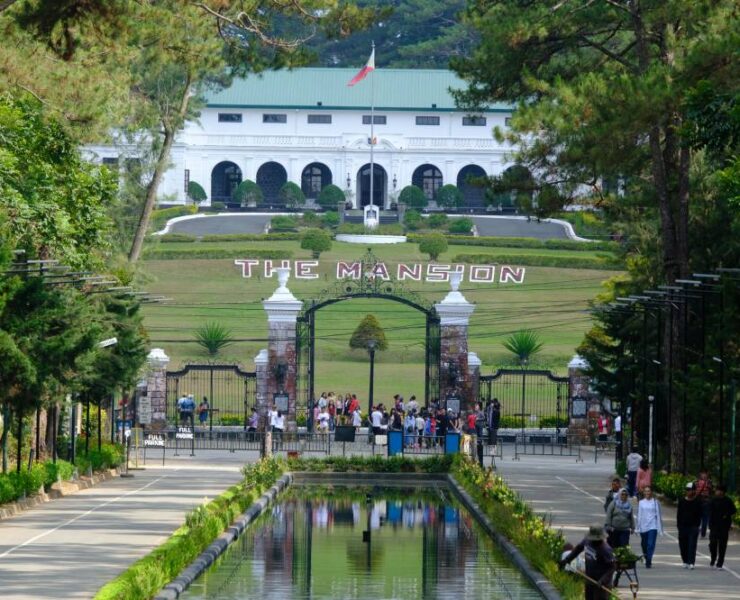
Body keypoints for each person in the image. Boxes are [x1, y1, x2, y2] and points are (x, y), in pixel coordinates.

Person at [559, 524, 615, 600]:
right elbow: (578, 548)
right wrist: (567, 560)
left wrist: (602, 580)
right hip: (590, 579)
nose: (594, 541)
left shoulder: (605, 549)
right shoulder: (587, 541)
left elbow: (612, 567)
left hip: (601, 584)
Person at [708, 484, 736, 570]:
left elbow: (733, 510)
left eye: (718, 490)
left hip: (724, 526)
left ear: (723, 492)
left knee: (722, 546)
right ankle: (713, 557)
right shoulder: (713, 500)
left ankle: (720, 563)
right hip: (714, 525)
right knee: (712, 544)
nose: (717, 492)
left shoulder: (728, 501)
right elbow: (709, 511)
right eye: (716, 490)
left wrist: (726, 514)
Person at [636, 486, 663, 568]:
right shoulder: (641, 502)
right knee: (644, 545)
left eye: (649, 491)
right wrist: (637, 527)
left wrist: (660, 528)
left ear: (651, 492)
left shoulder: (655, 502)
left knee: (650, 544)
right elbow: (639, 515)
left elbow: (658, 515)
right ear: (643, 492)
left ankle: (648, 561)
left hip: (653, 526)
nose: (647, 493)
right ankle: (647, 556)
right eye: (646, 491)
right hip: (643, 526)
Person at [677, 481, 702, 569]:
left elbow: (700, 514)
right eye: (687, 490)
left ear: (694, 491)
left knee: (692, 545)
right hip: (683, 526)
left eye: (690, 490)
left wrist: (698, 525)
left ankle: (691, 562)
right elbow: (679, 514)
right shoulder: (682, 501)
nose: (689, 492)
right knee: (683, 545)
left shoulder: (698, 502)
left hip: (693, 527)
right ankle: (685, 561)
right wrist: (679, 525)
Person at [695, 469, 713, 538]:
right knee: (702, 518)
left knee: (703, 518)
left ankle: (701, 532)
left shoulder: (698, 482)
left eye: (705, 473)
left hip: (703, 502)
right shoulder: (709, 482)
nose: (704, 475)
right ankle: (701, 532)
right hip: (703, 501)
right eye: (703, 473)